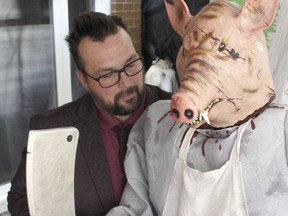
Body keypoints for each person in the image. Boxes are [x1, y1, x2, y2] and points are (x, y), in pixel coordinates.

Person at [7, 11, 171, 216]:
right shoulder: (52, 129)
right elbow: (20, 199)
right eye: (108, 75)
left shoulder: (178, 114)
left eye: (131, 64)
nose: (127, 82)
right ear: (83, 80)